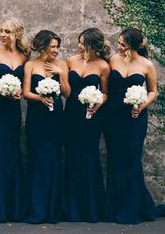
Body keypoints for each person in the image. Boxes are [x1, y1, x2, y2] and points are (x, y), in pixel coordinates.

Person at [104, 27, 164, 224]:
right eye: (118, 44)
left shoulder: (146, 65)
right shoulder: (113, 60)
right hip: (112, 117)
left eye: (123, 44)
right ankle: (114, 208)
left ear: (135, 45)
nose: (119, 47)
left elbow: (153, 91)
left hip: (135, 118)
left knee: (131, 159)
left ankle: (133, 208)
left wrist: (142, 105)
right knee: (115, 159)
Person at [0, 18, 30, 223]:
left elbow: (24, 82)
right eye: (1, 30)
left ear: (16, 34)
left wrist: (17, 91)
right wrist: (0, 91)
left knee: (12, 150)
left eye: (7, 31)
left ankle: (13, 206)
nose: (2, 34)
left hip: (13, 109)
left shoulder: (24, 56)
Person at [22, 30, 71, 223]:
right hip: (36, 117)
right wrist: (40, 97)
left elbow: (67, 93)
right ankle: (36, 208)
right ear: (42, 47)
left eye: (57, 47)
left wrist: (62, 75)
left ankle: (53, 209)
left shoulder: (62, 65)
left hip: (56, 117)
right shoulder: (31, 65)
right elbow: (26, 92)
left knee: (53, 159)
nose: (56, 50)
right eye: (53, 47)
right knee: (37, 159)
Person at [64, 27, 110, 222]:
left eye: (83, 42)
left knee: (89, 155)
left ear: (92, 45)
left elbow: (106, 92)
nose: (79, 46)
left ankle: (91, 207)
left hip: (92, 116)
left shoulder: (103, 66)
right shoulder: (70, 61)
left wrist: (98, 103)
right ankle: (71, 207)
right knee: (72, 155)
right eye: (79, 42)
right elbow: (65, 89)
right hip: (71, 115)